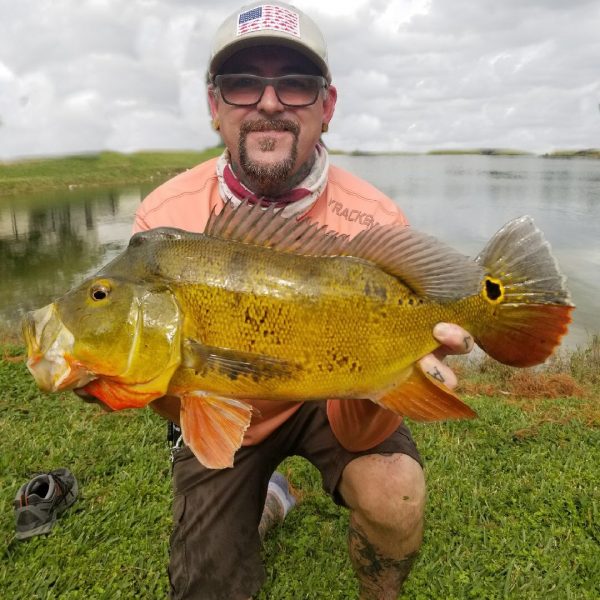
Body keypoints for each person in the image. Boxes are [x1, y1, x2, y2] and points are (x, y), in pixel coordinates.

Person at [134, 2, 474, 598]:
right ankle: (268, 494)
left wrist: (395, 369)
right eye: (242, 83)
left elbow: (364, 425)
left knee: (395, 494)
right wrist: (126, 378)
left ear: (327, 106)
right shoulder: (165, 223)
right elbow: (172, 400)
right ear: (215, 107)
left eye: (295, 84)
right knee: (208, 583)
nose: (269, 102)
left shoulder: (374, 222)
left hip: (337, 390)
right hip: (227, 411)